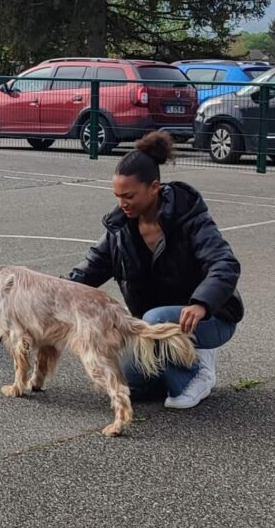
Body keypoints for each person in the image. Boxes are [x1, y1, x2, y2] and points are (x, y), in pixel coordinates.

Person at [67, 131, 243, 409]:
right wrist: (39, 302)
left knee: (157, 319)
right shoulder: (119, 230)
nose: (122, 203)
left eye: (129, 196)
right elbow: (83, 276)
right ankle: (173, 358)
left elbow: (225, 264)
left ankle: (198, 368)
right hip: (152, 327)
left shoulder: (190, 216)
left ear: (154, 188)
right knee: (126, 384)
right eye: (117, 196)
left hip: (209, 317)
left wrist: (201, 303)